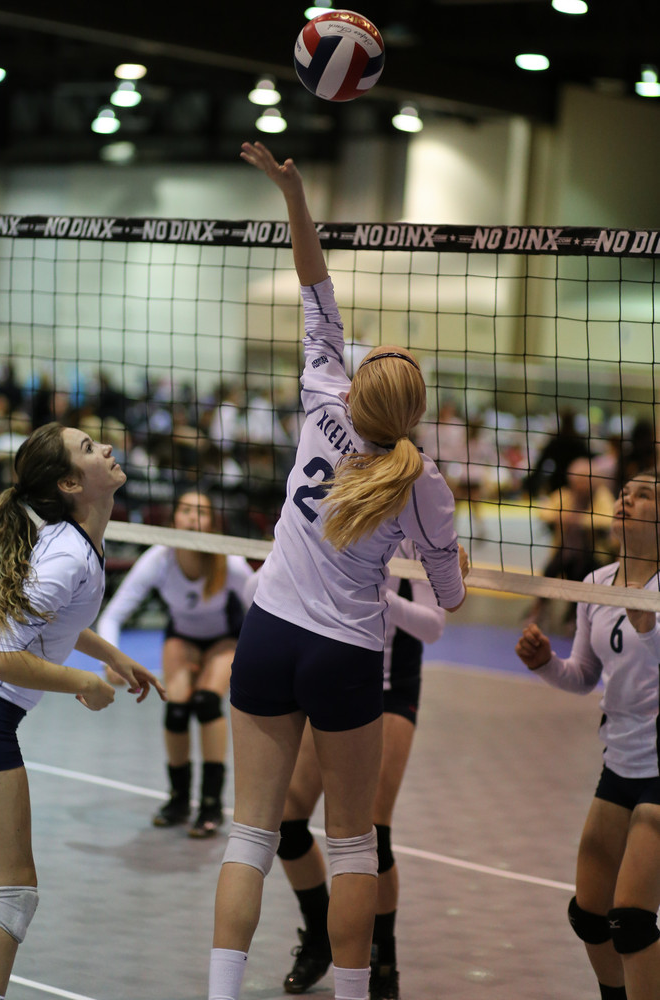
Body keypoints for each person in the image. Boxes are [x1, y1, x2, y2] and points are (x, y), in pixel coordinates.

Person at [206, 140, 467, 1000]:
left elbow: (315, 285)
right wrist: (448, 559)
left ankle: (219, 991)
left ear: (355, 389)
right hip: (347, 652)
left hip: (269, 632)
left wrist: (293, 194)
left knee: (250, 834)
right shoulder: (424, 484)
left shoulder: (321, 395)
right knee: (353, 842)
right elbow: (451, 599)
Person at [0, 421, 166, 1000]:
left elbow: (56, 619)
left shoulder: (73, 544)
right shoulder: (68, 554)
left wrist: (112, 655)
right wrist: (81, 683)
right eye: (89, 448)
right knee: (13, 890)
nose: (108, 447)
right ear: (70, 483)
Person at [277, 538, 467, 1000]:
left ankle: (382, 961)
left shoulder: (419, 532)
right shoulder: (336, 515)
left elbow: (433, 626)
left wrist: (377, 591)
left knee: (372, 834)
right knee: (287, 822)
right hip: (334, 679)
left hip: (389, 689)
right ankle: (319, 936)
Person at [515, 470, 660, 1000]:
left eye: (644, 495)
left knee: (632, 921)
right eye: (624, 492)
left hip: (659, 768)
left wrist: (648, 631)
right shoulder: (595, 584)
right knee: (590, 914)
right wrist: (545, 664)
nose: (627, 499)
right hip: (619, 761)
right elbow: (582, 676)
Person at [97, 489, 253, 837]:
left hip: (225, 638)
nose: (192, 517)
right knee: (177, 710)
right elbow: (113, 615)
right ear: (173, 519)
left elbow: (260, 607)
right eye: (185, 510)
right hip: (181, 637)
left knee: (207, 703)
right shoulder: (158, 558)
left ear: (212, 523)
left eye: (201, 512)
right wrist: (112, 658)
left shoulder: (229, 562)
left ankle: (211, 804)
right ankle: (179, 800)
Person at [525, 456, 614, 630]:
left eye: (584, 481)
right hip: (564, 553)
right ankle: (539, 608)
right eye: (577, 480)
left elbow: (607, 519)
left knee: (580, 571)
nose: (580, 485)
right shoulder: (565, 495)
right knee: (552, 569)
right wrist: (561, 517)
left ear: (592, 481)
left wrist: (580, 521)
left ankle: (574, 614)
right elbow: (544, 512)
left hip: (594, 557)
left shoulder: (601, 496)